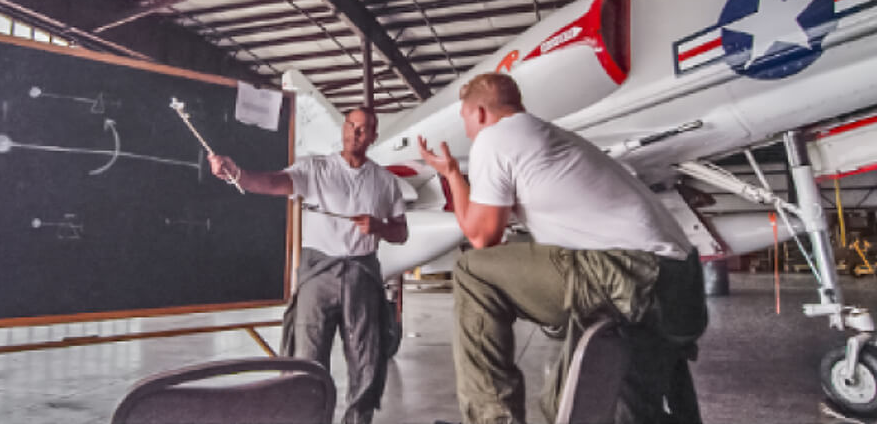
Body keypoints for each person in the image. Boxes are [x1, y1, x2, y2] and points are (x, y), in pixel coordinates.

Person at [418, 73, 707, 424]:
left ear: (478, 113)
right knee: (600, 411)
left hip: (629, 274)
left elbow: (481, 238)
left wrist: (451, 176)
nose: (466, 131)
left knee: (472, 272)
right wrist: (451, 171)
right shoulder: (552, 137)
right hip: (680, 288)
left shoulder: (496, 138)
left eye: (464, 120)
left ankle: (491, 419)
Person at [209, 106, 407, 424]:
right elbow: (274, 182)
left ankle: (359, 420)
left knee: (367, 359)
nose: (354, 133)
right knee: (307, 358)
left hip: (362, 274)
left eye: (363, 128)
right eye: (350, 125)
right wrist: (238, 175)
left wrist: (380, 227)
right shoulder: (315, 168)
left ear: (373, 136)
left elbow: (402, 232)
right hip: (317, 274)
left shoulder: (385, 182)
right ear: (343, 128)